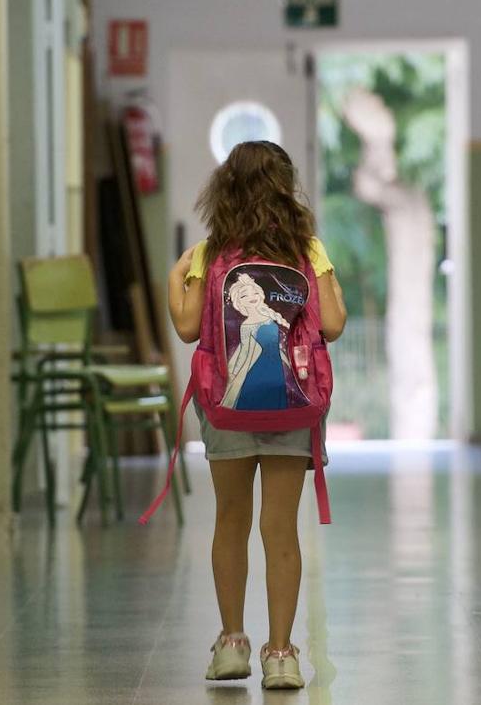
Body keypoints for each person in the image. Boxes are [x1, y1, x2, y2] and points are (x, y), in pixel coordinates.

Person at [168, 140, 347, 690]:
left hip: (226, 407)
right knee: (280, 529)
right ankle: (281, 654)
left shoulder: (207, 254)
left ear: (225, 189)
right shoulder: (308, 249)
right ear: (287, 188)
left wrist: (176, 276)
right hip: (293, 405)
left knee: (230, 521)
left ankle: (230, 644)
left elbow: (186, 327)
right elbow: (334, 324)